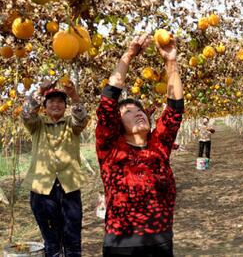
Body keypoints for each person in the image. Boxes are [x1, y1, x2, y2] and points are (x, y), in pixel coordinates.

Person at [95, 33, 184, 257]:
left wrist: (171, 62)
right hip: (121, 244)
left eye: (140, 110)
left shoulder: (158, 147)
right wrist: (129, 55)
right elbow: (107, 101)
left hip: (160, 240)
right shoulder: (110, 149)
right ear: (117, 122)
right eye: (128, 112)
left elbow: (174, 110)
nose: (137, 114)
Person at [21, 78, 88, 257]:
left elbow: (81, 118)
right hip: (42, 191)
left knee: (73, 240)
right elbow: (26, 114)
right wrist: (40, 91)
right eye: (51, 101)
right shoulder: (37, 124)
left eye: (60, 101)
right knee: (51, 241)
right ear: (44, 106)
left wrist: (74, 96)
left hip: (69, 188)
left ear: (66, 107)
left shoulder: (72, 125)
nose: (56, 104)